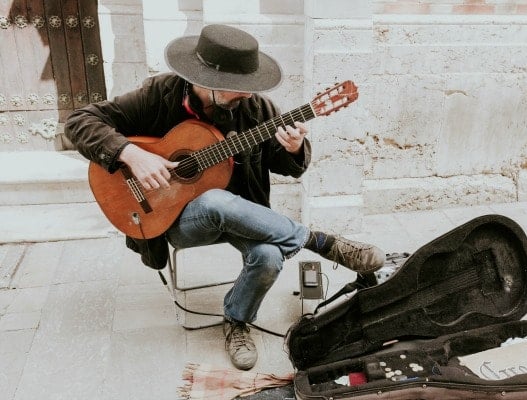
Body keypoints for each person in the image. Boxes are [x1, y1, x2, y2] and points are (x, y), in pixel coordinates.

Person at [65, 24, 385, 370]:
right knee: (213, 201)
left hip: (246, 215)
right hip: (173, 219)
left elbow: (288, 168)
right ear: (204, 80)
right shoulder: (160, 94)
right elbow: (79, 121)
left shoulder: (257, 109)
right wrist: (130, 153)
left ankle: (236, 320)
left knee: (269, 256)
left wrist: (293, 149)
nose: (247, 94)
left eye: (251, 86)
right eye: (239, 87)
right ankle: (320, 242)